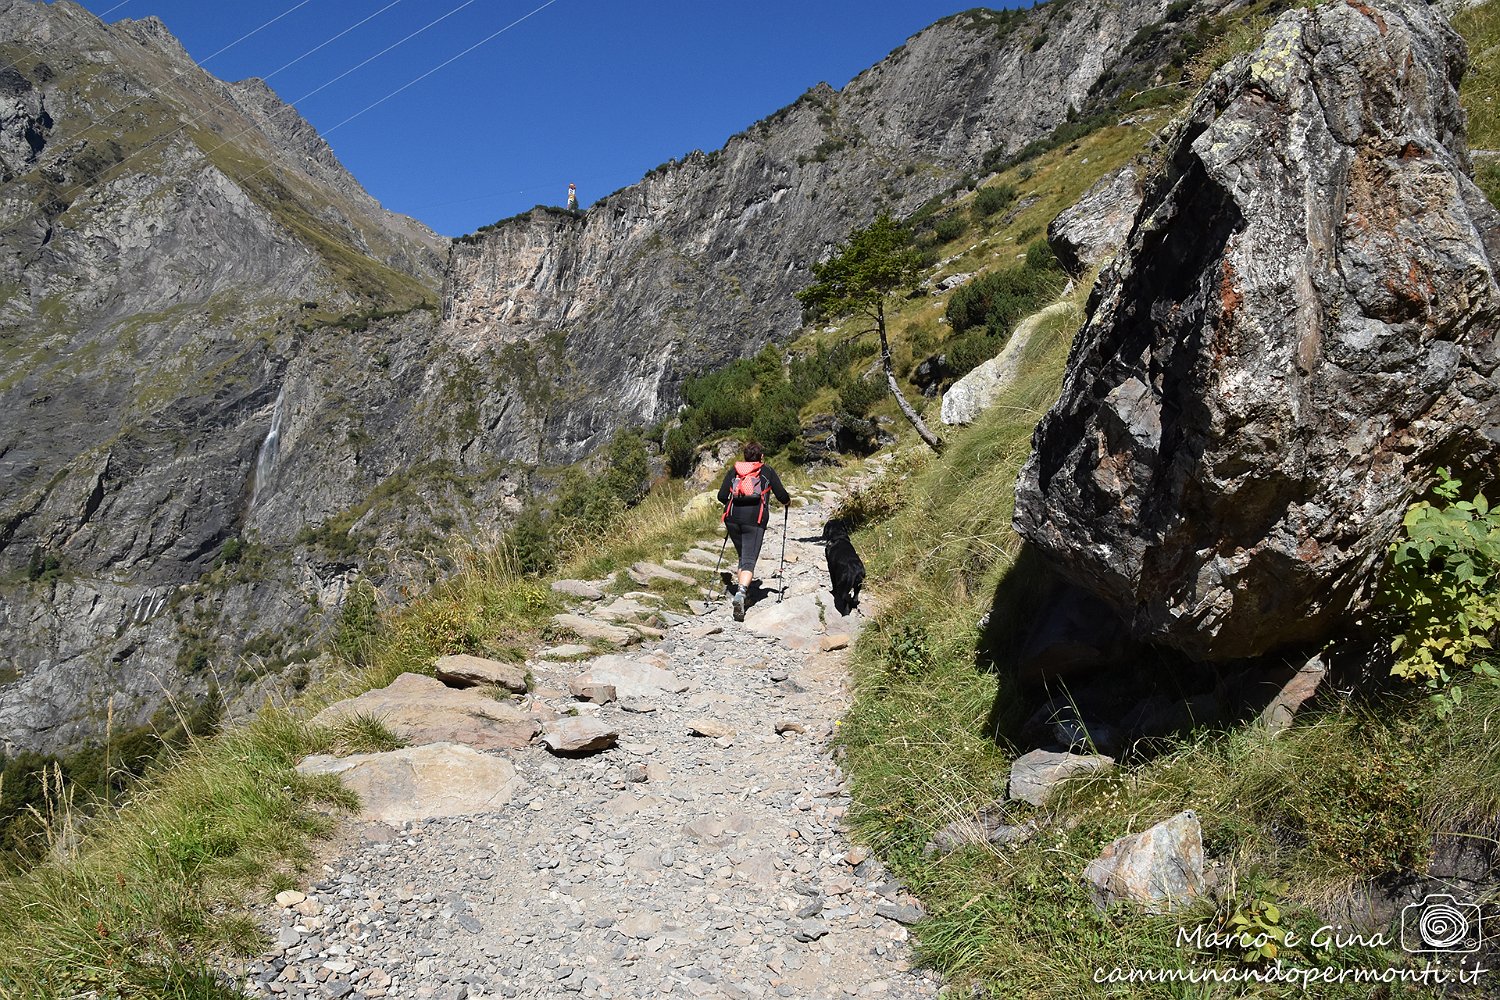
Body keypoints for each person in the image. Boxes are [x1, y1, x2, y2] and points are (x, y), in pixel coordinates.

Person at [716, 440, 791, 621]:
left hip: (732, 518)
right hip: (754, 520)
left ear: (745, 456)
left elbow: (721, 496)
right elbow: (781, 495)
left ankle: (744, 593)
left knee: (743, 554)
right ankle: (741, 594)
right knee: (749, 559)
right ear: (761, 457)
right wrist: (787, 502)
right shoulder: (766, 471)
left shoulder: (735, 471)